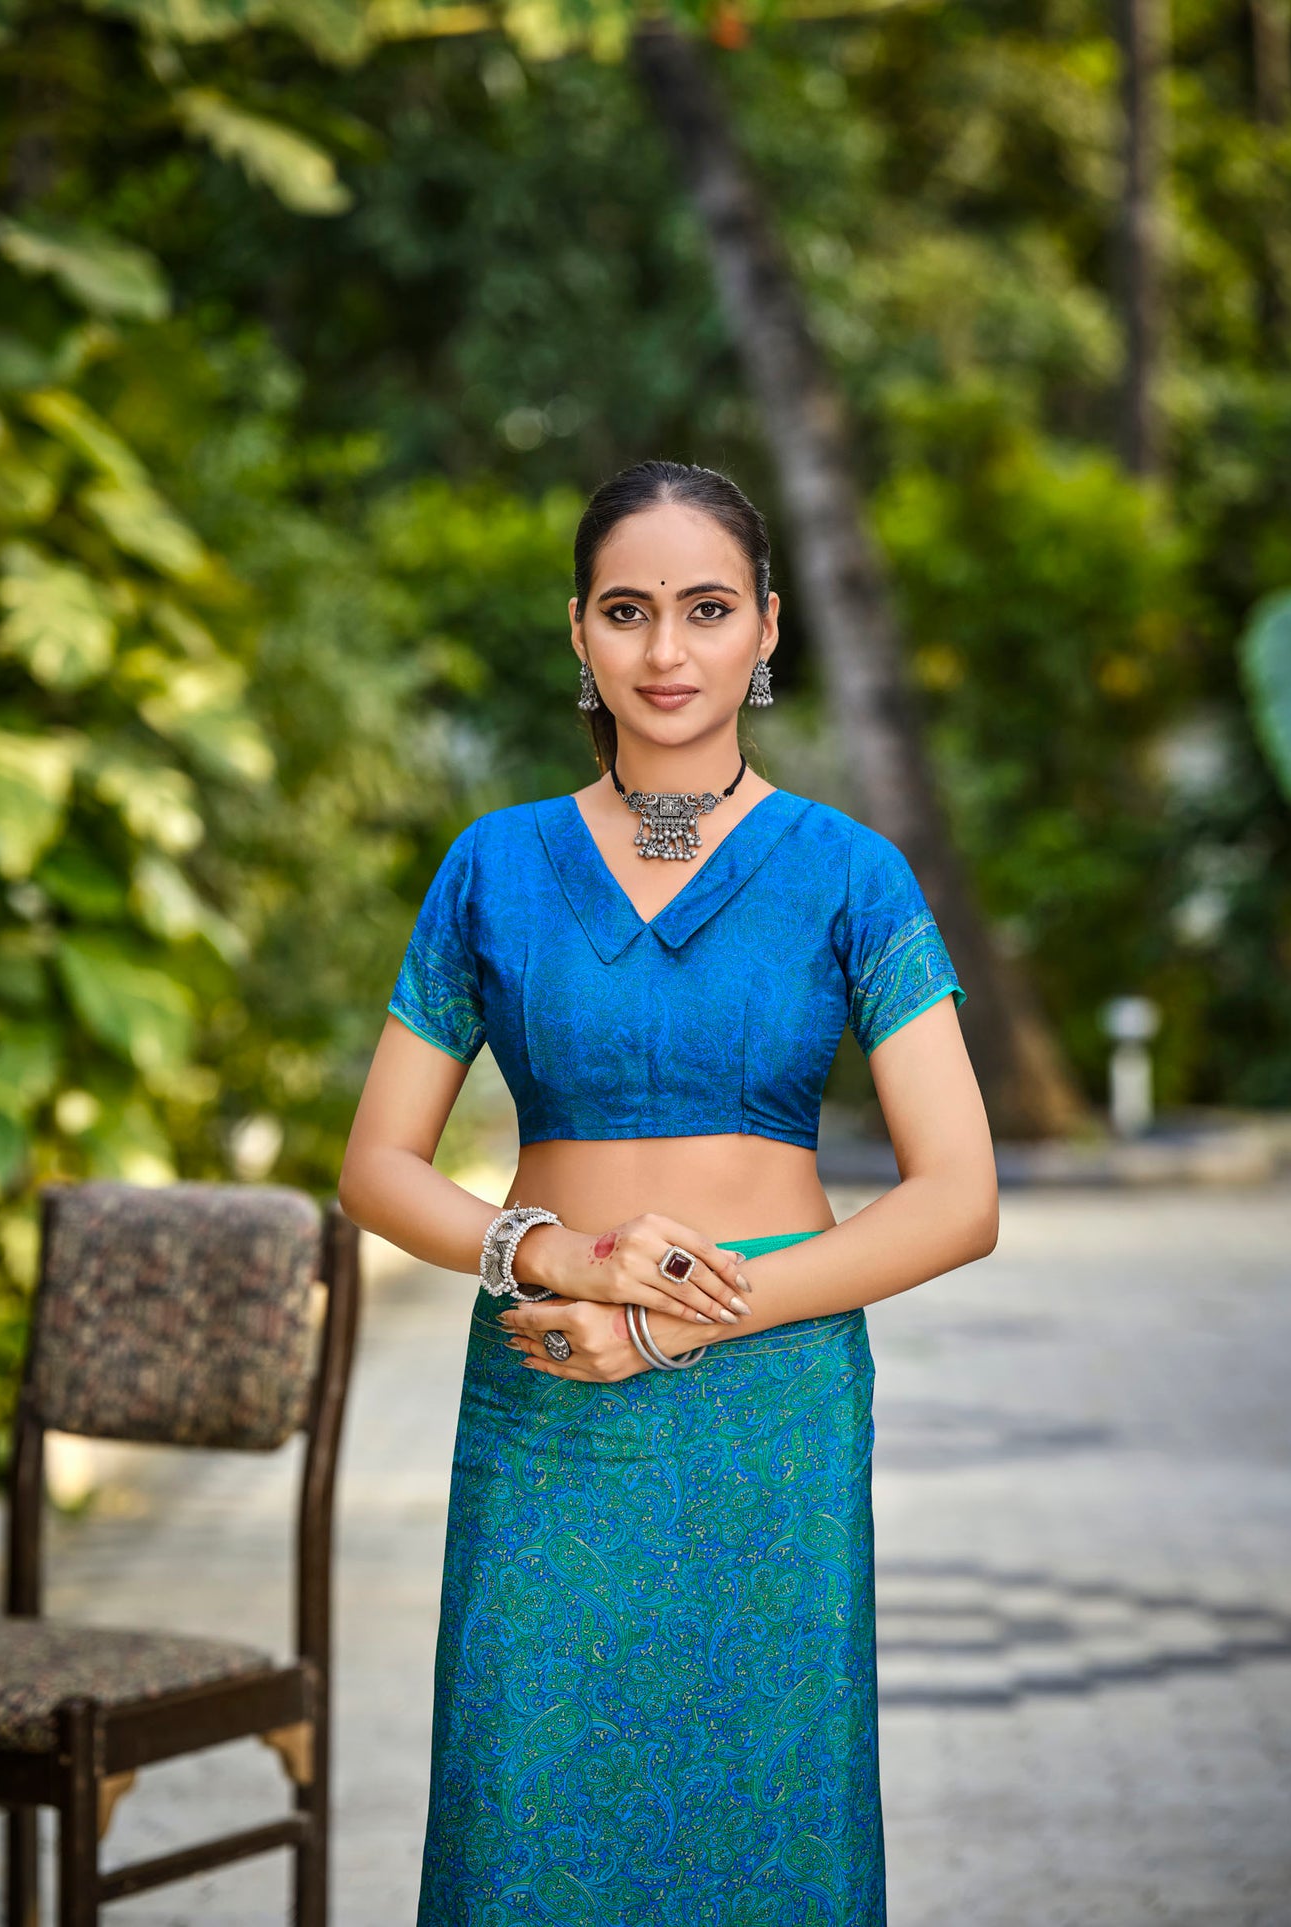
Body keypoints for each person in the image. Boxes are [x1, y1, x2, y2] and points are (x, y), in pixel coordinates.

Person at [338, 459, 998, 1925]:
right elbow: (376, 1167)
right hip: (547, 1384)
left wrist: (690, 1320)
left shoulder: (850, 875)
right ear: (576, 630)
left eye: (705, 611)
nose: (665, 652)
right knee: (525, 1801)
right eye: (626, 612)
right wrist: (556, 1263)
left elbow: (957, 1197)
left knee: (765, 1807)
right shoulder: (490, 868)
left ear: (768, 629)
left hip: (766, 1398)